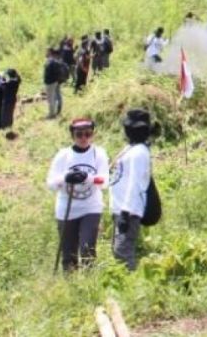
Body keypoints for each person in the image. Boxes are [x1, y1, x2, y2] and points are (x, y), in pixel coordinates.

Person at [46, 118, 109, 271]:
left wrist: (87, 178)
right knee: (69, 254)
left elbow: (104, 182)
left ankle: (89, 284)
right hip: (67, 209)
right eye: (79, 134)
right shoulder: (63, 155)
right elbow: (50, 183)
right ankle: (70, 286)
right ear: (72, 136)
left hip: (91, 208)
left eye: (88, 134)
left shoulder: (98, 154)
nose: (83, 138)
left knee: (87, 248)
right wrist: (65, 178)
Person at [110, 109, 154, 271]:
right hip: (120, 208)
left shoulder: (139, 153)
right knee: (117, 251)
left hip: (128, 210)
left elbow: (135, 183)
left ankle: (129, 286)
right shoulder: (131, 148)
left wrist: (125, 212)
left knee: (122, 252)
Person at [43, 48, 67, 119]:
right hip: (54, 82)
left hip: (50, 82)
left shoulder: (51, 61)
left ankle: (51, 114)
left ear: (50, 53)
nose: (46, 53)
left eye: (47, 52)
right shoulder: (54, 61)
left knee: (51, 99)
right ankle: (55, 112)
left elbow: (49, 73)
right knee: (54, 97)